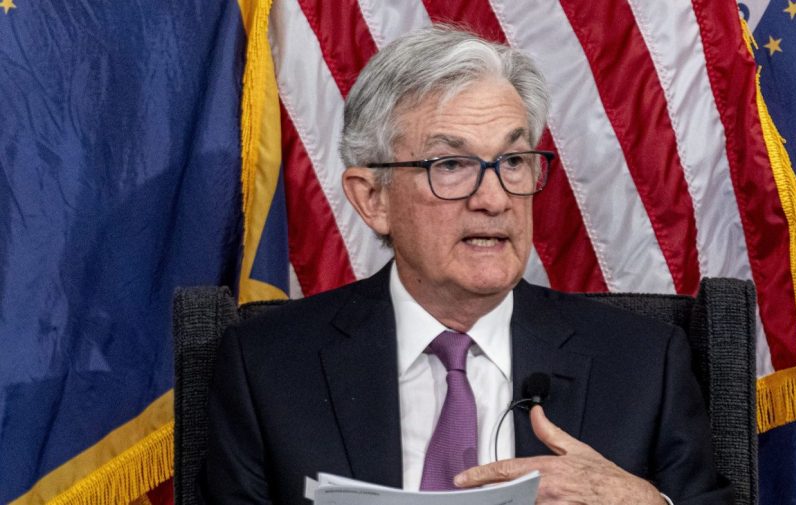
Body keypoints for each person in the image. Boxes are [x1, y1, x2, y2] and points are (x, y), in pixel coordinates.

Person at [199, 26, 732, 504]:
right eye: (451, 164)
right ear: (372, 198)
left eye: (513, 162)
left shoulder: (642, 363)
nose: (495, 199)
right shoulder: (268, 367)